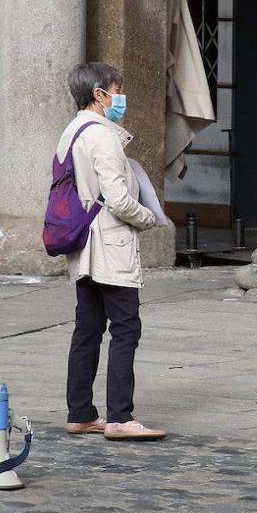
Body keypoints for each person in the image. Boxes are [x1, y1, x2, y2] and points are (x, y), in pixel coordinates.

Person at [58, 63, 165, 441]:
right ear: (99, 94)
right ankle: (120, 416)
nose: (121, 97)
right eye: (116, 90)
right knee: (125, 328)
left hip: (85, 242)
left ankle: (80, 411)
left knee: (87, 328)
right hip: (110, 242)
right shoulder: (102, 136)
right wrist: (147, 217)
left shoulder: (71, 131)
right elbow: (118, 198)